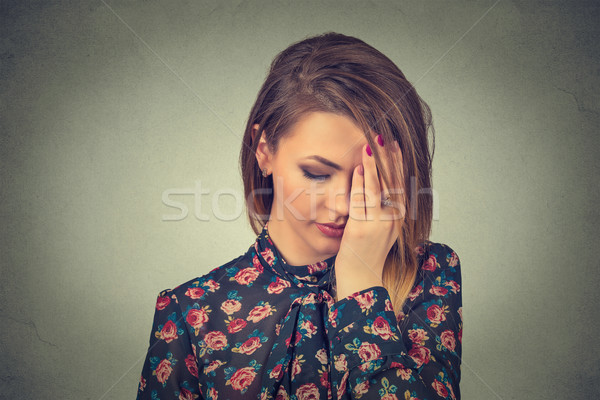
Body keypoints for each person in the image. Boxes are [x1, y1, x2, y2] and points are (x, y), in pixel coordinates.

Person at [136, 32, 462, 400]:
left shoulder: (430, 275)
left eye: (370, 178)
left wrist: (361, 281)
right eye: (317, 174)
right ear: (264, 151)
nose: (342, 205)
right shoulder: (189, 311)